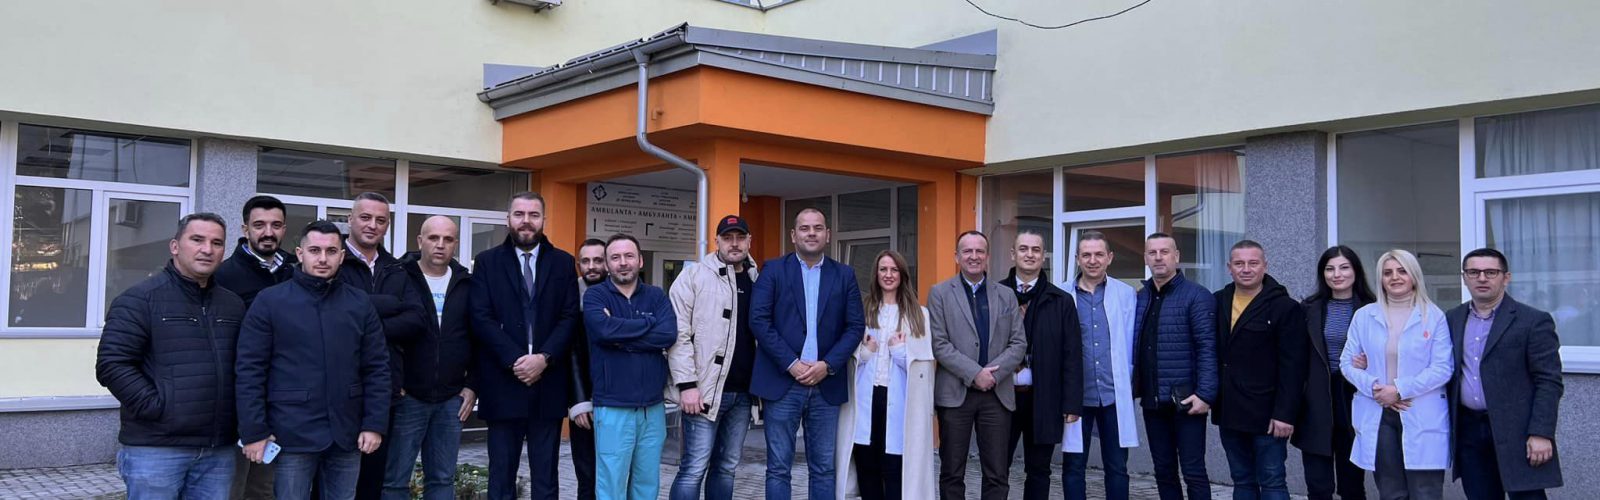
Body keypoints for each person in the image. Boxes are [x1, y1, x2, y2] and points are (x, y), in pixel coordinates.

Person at [236, 220, 391, 500]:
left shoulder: (359, 303)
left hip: (347, 432)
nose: (322, 259)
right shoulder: (270, 301)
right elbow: (250, 371)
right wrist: (254, 430)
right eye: (315, 250)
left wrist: (373, 424)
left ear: (341, 256)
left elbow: (377, 368)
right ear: (300, 253)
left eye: (331, 251)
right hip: (291, 433)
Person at [97, 213, 245, 500]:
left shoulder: (232, 305)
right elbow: (112, 364)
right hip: (157, 449)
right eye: (197, 240)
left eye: (216, 243)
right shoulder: (140, 299)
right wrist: (158, 408)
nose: (207, 249)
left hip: (218, 450)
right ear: (175, 246)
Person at [469, 192, 581, 500]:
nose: (526, 221)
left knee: (546, 478)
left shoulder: (563, 263)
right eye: (519, 214)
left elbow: (569, 317)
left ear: (544, 220)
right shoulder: (487, 262)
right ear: (508, 219)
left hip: (548, 383)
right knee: (501, 477)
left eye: (533, 215)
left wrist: (544, 358)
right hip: (503, 382)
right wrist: (516, 360)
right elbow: (480, 317)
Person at [748, 208, 865, 500]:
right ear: (793, 235)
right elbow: (758, 321)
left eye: (817, 228)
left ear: (827, 235)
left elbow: (854, 327)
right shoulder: (773, 270)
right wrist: (791, 363)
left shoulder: (844, 275)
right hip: (782, 383)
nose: (811, 233)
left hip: (827, 384)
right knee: (778, 468)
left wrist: (828, 365)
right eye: (804, 228)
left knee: (824, 469)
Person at [1448, 248, 1564, 499]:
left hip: (1519, 431)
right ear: (1464, 277)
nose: (1481, 278)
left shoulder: (1533, 320)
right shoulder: (1452, 319)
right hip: (1469, 430)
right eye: (1473, 272)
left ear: (1506, 277)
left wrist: (1541, 432)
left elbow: (1549, 381)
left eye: (1491, 272)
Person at [339, 192, 431, 500]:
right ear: (350, 219)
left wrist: (366, 324)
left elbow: (417, 319)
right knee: (333, 481)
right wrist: (390, 304)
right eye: (365, 218)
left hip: (383, 391)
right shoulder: (333, 260)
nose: (372, 225)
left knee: (372, 481)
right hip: (338, 390)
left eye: (381, 220)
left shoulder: (397, 268)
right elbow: (335, 315)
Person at [1339, 249, 1451, 500]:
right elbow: (1346, 363)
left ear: (1414, 276)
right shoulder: (1364, 316)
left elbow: (1443, 368)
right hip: (1379, 412)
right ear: (1380, 279)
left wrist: (1399, 390)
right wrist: (1377, 389)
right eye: (1387, 272)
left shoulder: (1434, 316)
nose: (1395, 277)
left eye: (1402, 271)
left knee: (1426, 492)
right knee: (1390, 491)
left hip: (1420, 409)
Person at [929, 230, 1029, 500]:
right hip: (955, 394)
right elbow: (939, 344)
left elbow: (1018, 343)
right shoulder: (939, 293)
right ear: (957, 256)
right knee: (952, 472)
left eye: (979, 251)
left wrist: (992, 375)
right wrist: (975, 374)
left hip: (996, 394)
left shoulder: (1006, 295)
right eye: (967, 251)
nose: (973, 256)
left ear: (987, 256)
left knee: (997, 473)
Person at [383, 216, 478, 500]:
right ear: (420, 240)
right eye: (433, 238)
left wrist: (472, 385)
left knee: (442, 480)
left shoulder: (467, 283)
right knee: (394, 481)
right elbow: (383, 334)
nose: (440, 245)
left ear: (455, 243)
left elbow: (479, 338)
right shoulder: (398, 277)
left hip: (451, 399)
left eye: (448, 239)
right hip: (408, 396)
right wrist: (394, 381)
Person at [667, 216, 760, 500]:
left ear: (749, 241)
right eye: (727, 238)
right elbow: (678, 334)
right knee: (694, 468)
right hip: (703, 393)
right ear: (716, 241)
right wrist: (686, 385)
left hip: (742, 395)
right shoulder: (694, 277)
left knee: (727, 468)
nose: (734, 243)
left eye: (740, 237)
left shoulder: (757, 279)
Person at [214, 196, 298, 500]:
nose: (268, 232)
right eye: (259, 225)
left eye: (276, 225)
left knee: (266, 490)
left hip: (285, 400)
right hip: (239, 398)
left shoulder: (297, 271)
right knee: (233, 488)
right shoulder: (223, 276)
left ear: (284, 229)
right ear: (245, 228)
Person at [836, 250, 937, 500]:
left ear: (902, 275)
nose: (888, 275)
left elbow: (923, 368)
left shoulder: (919, 314)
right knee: (867, 468)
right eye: (883, 269)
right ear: (876, 274)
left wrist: (900, 351)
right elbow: (848, 359)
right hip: (866, 400)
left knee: (895, 471)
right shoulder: (861, 310)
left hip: (900, 403)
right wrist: (866, 352)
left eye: (894, 270)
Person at [1211, 240, 1307, 500]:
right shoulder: (1218, 301)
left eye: (1253, 263)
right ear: (1229, 267)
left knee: (1272, 482)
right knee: (1242, 481)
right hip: (1230, 411)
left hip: (1268, 415)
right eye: (1239, 263)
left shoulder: (1285, 307)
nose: (1246, 269)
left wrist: (1285, 414)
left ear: (1265, 266)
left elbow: (1294, 367)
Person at [583, 234, 677, 500]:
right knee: (611, 485)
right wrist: (648, 325)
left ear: (640, 260)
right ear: (607, 264)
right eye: (615, 257)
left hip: (652, 408)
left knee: (647, 483)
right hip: (612, 408)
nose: (623, 263)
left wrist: (620, 337)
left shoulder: (656, 296)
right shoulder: (595, 296)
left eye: (629, 256)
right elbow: (603, 331)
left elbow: (668, 334)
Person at [998, 231, 1083, 500]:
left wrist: (1072, 403)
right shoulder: (995, 294)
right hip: (1001, 398)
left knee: (1039, 471)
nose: (1030, 254)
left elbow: (1072, 355)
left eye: (1036, 249)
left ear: (1043, 256)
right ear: (1013, 254)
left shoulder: (1061, 300)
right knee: (996, 468)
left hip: (1044, 398)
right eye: (1023, 249)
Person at [1133, 232, 1217, 500]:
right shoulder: (1140, 297)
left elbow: (1207, 347)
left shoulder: (1197, 296)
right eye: (1153, 252)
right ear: (1145, 258)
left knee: (1193, 471)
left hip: (1187, 401)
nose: (1158, 258)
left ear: (1177, 256)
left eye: (1164, 252)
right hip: (1153, 401)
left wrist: (1205, 394)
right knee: (1163, 471)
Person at [1063, 231, 1140, 500]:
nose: (1092, 260)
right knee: (1074, 467)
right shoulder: (1062, 294)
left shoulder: (1126, 294)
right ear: (1077, 259)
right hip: (1076, 396)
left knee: (1117, 467)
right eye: (1086, 255)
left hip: (1113, 395)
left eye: (1099, 254)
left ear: (1110, 257)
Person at [1295, 245, 1375, 500]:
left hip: (1353, 396)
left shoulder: (1373, 308)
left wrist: (1370, 363)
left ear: (1356, 271)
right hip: (1316, 397)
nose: (1336, 274)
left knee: (1352, 484)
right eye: (1330, 269)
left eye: (1344, 267)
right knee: (1318, 485)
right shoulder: (1308, 309)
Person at [569, 238, 607, 500]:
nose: (591, 266)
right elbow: (568, 354)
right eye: (585, 261)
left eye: (597, 260)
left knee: (614, 475)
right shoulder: (569, 297)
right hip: (583, 403)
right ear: (578, 264)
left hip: (616, 401)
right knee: (586, 475)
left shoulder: (620, 295)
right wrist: (578, 401)